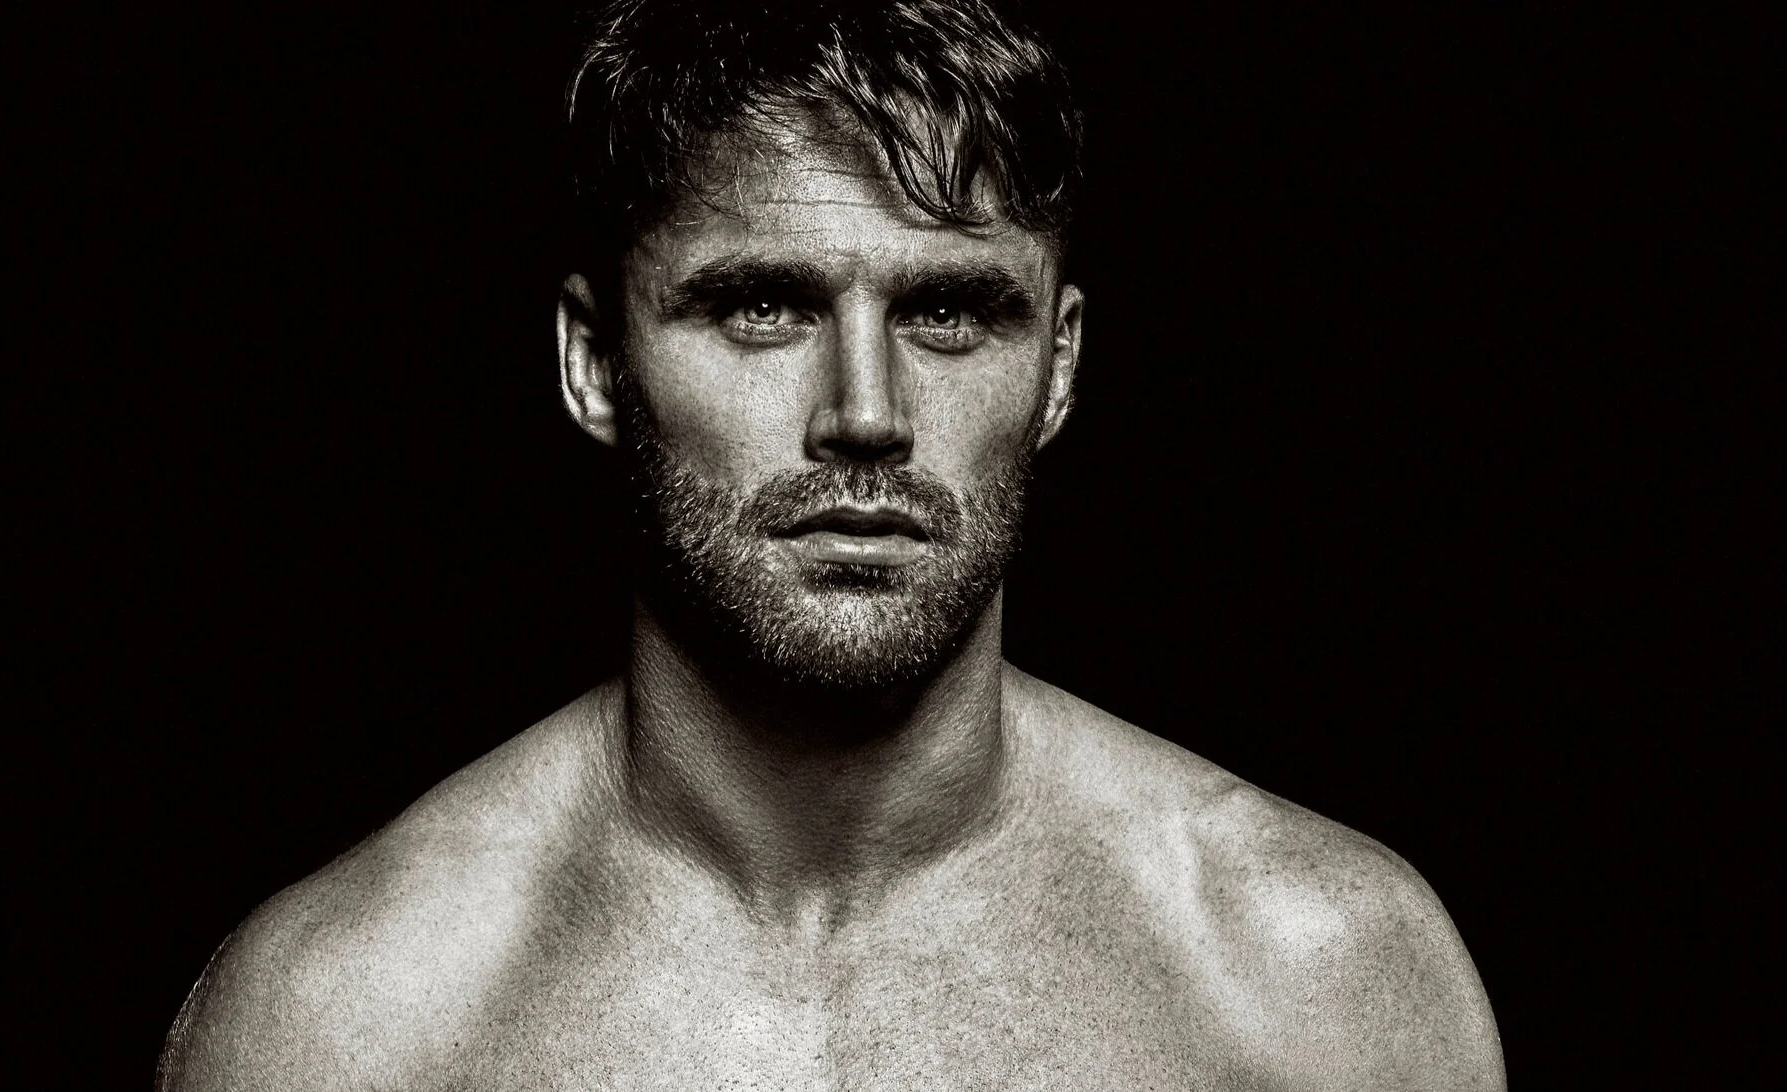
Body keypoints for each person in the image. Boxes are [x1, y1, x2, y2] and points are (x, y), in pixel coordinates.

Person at [158, 1, 1504, 1087]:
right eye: (761, 306)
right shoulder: (349, 1025)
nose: (864, 413)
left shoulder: (1317, 977)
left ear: (1057, 369)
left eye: (950, 313)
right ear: (594, 362)